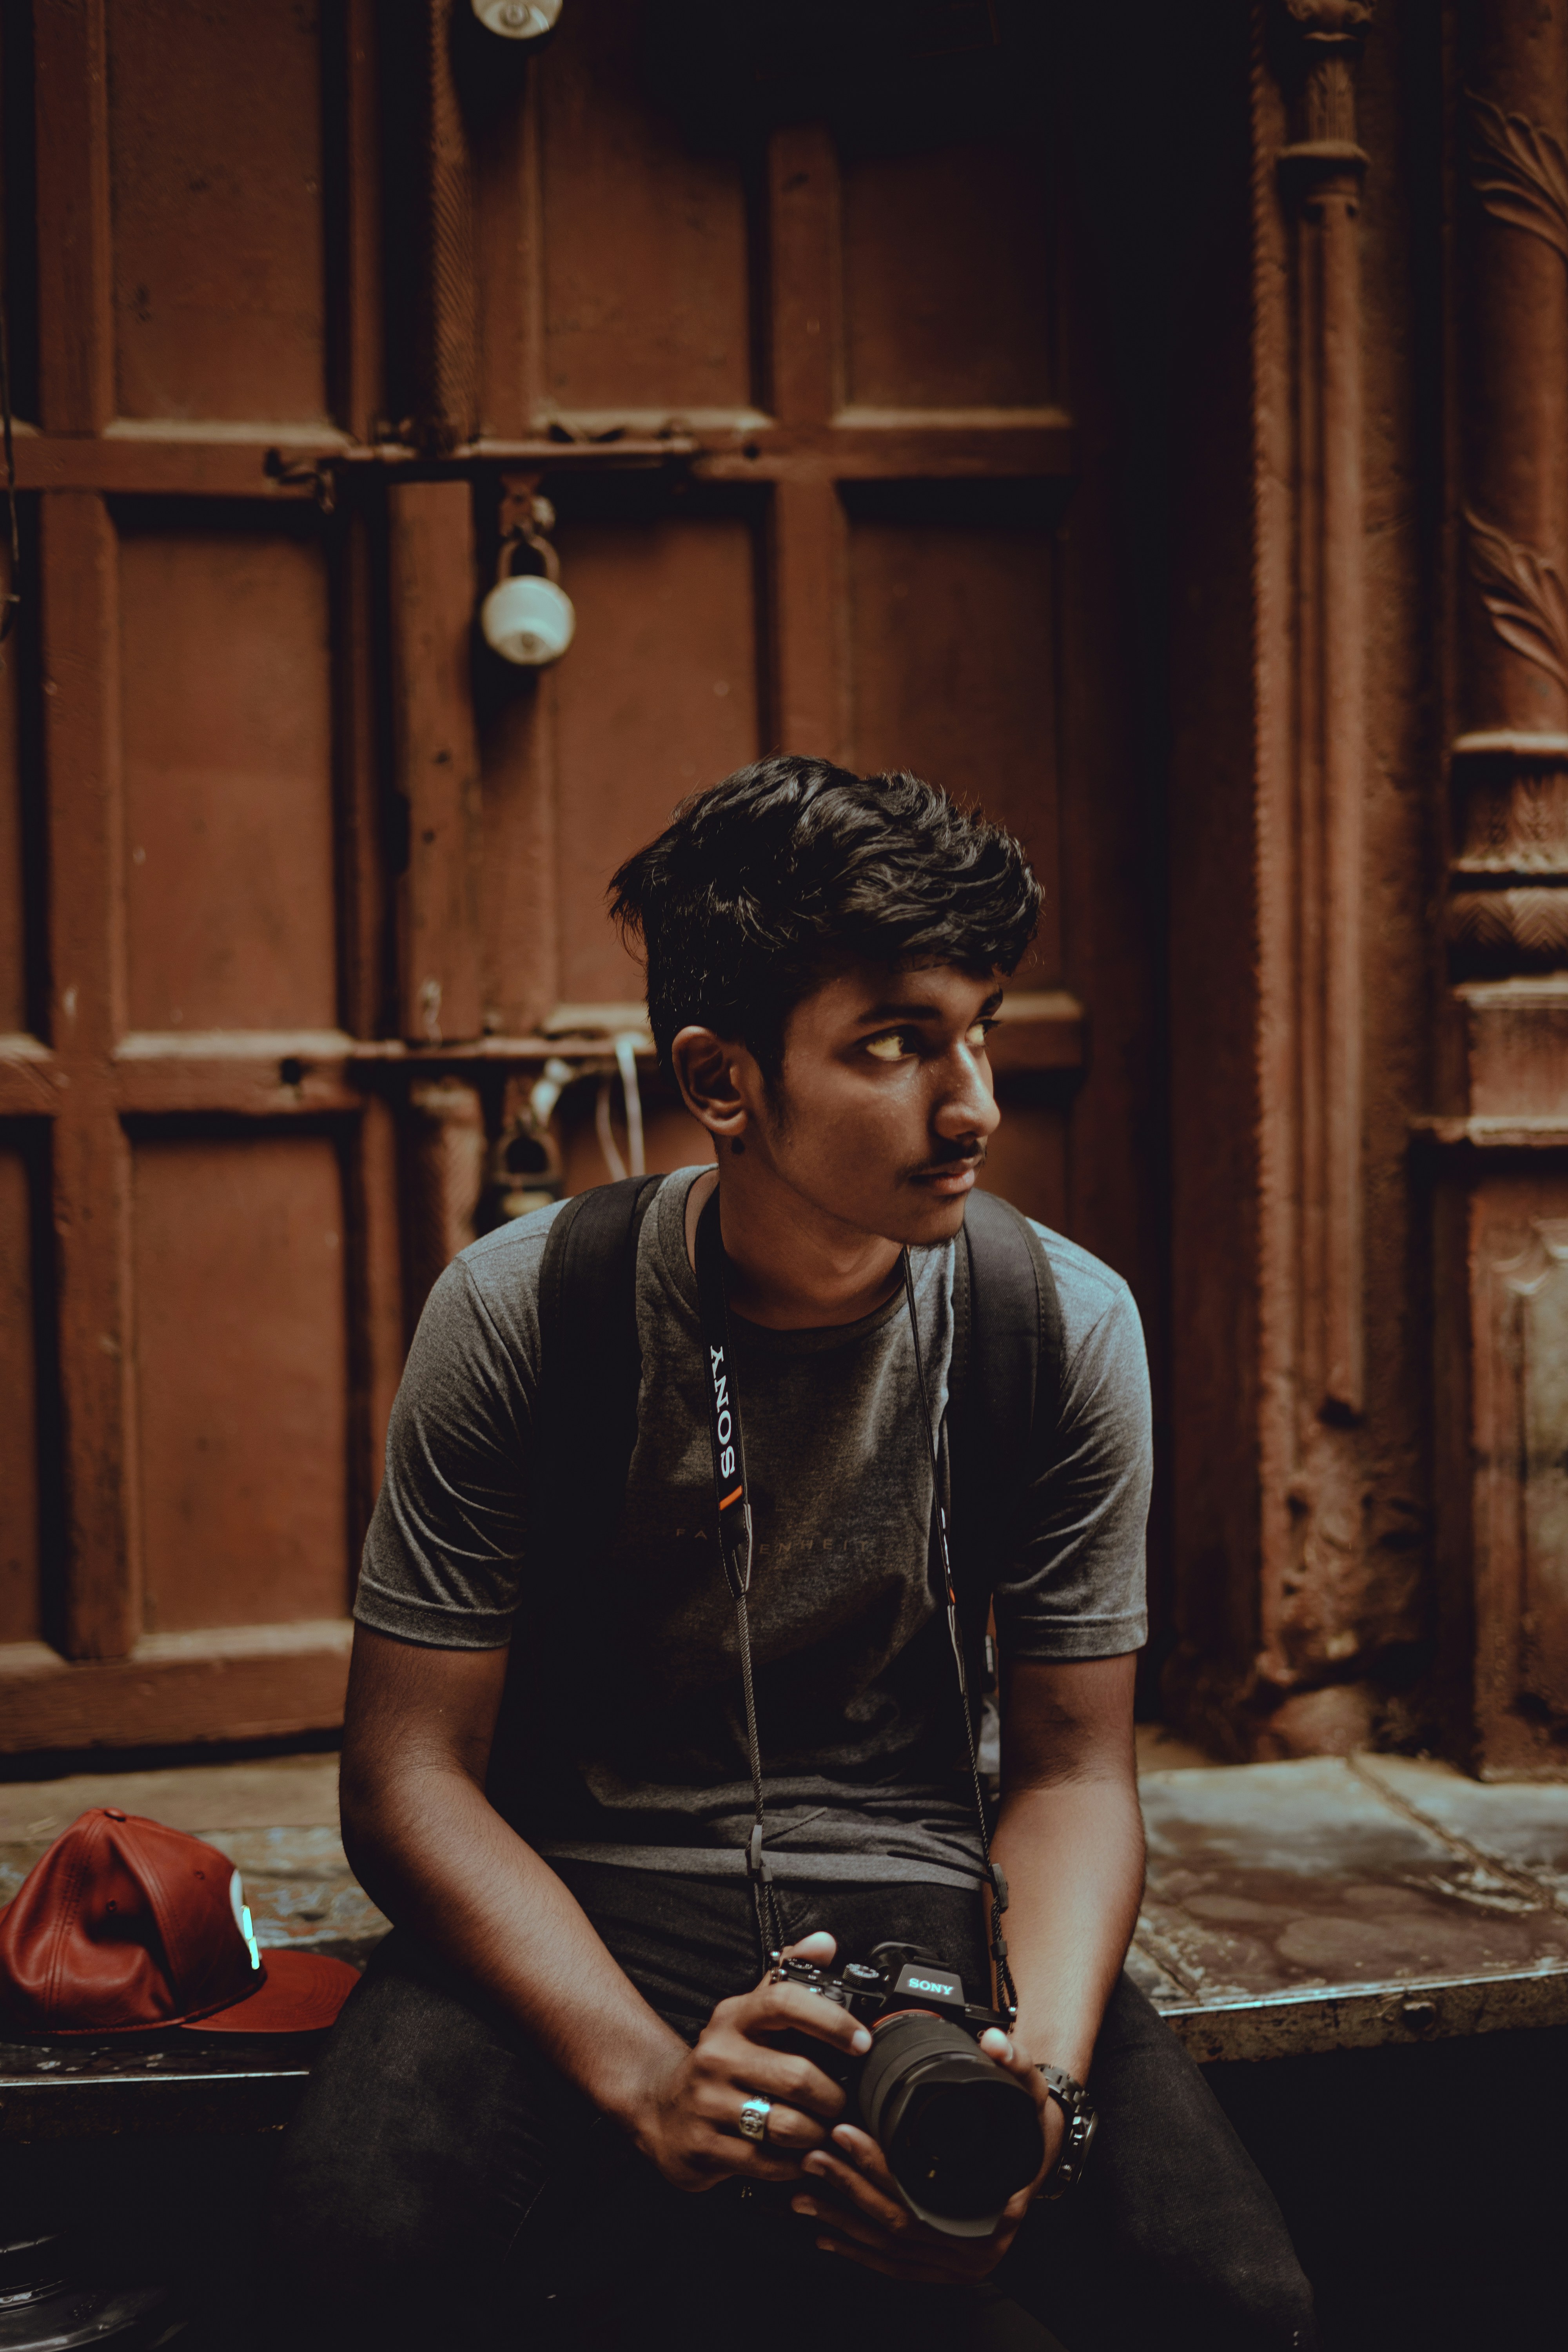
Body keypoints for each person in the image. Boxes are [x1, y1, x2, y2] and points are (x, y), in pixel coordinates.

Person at [267, 758, 1314, 2351]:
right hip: (585, 1881)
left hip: (922, 1894)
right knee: (359, 2248)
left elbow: (1070, 1776)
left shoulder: (1060, 1326)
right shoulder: (522, 1312)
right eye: (894, 1046)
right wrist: (641, 2081)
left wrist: (1028, 2093)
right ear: (724, 1080)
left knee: (1230, 2301)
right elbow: (406, 1775)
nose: (969, 1104)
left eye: (979, 1030)